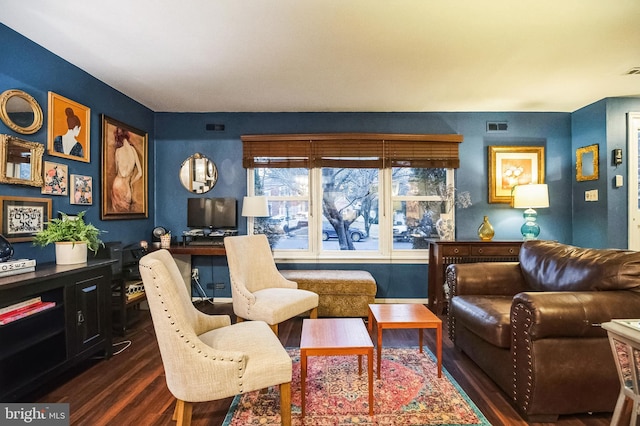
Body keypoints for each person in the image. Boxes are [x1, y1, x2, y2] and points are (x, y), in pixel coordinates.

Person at [111, 127, 142, 212]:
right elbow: (140, 173)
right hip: (126, 185)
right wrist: (131, 182)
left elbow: (117, 171)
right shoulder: (133, 150)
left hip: (117, 184)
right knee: (126, 211)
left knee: (117, 214)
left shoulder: (118, 151)